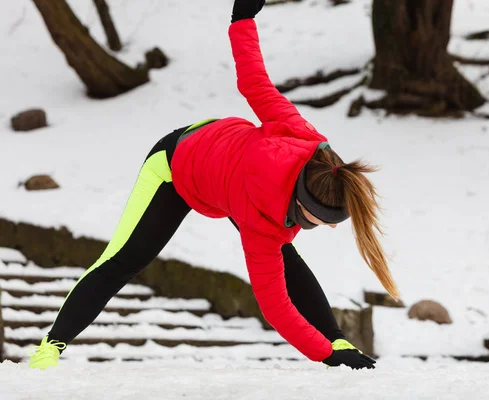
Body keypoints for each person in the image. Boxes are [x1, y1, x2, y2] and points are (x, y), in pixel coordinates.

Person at [28, 0, 399, 371]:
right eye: (318, 220)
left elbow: (255, 82)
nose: (330, 226)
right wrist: (326, 355)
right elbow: (276, 308)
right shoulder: (261, 226)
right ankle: (50, 346)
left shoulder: (304, 138)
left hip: (221, 156)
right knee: (124, 260)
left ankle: (337, 335)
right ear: (301, 204)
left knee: (287, 259)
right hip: (175, 167)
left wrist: (243, 20)